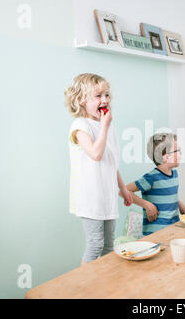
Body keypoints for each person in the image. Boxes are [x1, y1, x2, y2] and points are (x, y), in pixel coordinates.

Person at [65, 73, 133, 266]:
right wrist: (104, 126)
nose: (104, 100)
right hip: (90, 196)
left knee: (108, 245)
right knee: (95, 244)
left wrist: (123, 188)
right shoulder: (80, 126)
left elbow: (110, 162)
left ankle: (103, 286)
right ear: (81, 100)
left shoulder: (107, 125)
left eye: (107, 95)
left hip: (107, 194)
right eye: (98, 96)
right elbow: (96, 154)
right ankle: (83, 289)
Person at [123, 133, 185, 235]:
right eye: (177, 151)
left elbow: (167, 194)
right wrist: (147, 205)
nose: (181, 153)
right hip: (156, 234)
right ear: (165, 157)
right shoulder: (152, 177)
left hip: (174, 228)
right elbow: (124, 191)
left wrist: (179, 204)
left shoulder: (174, 174)